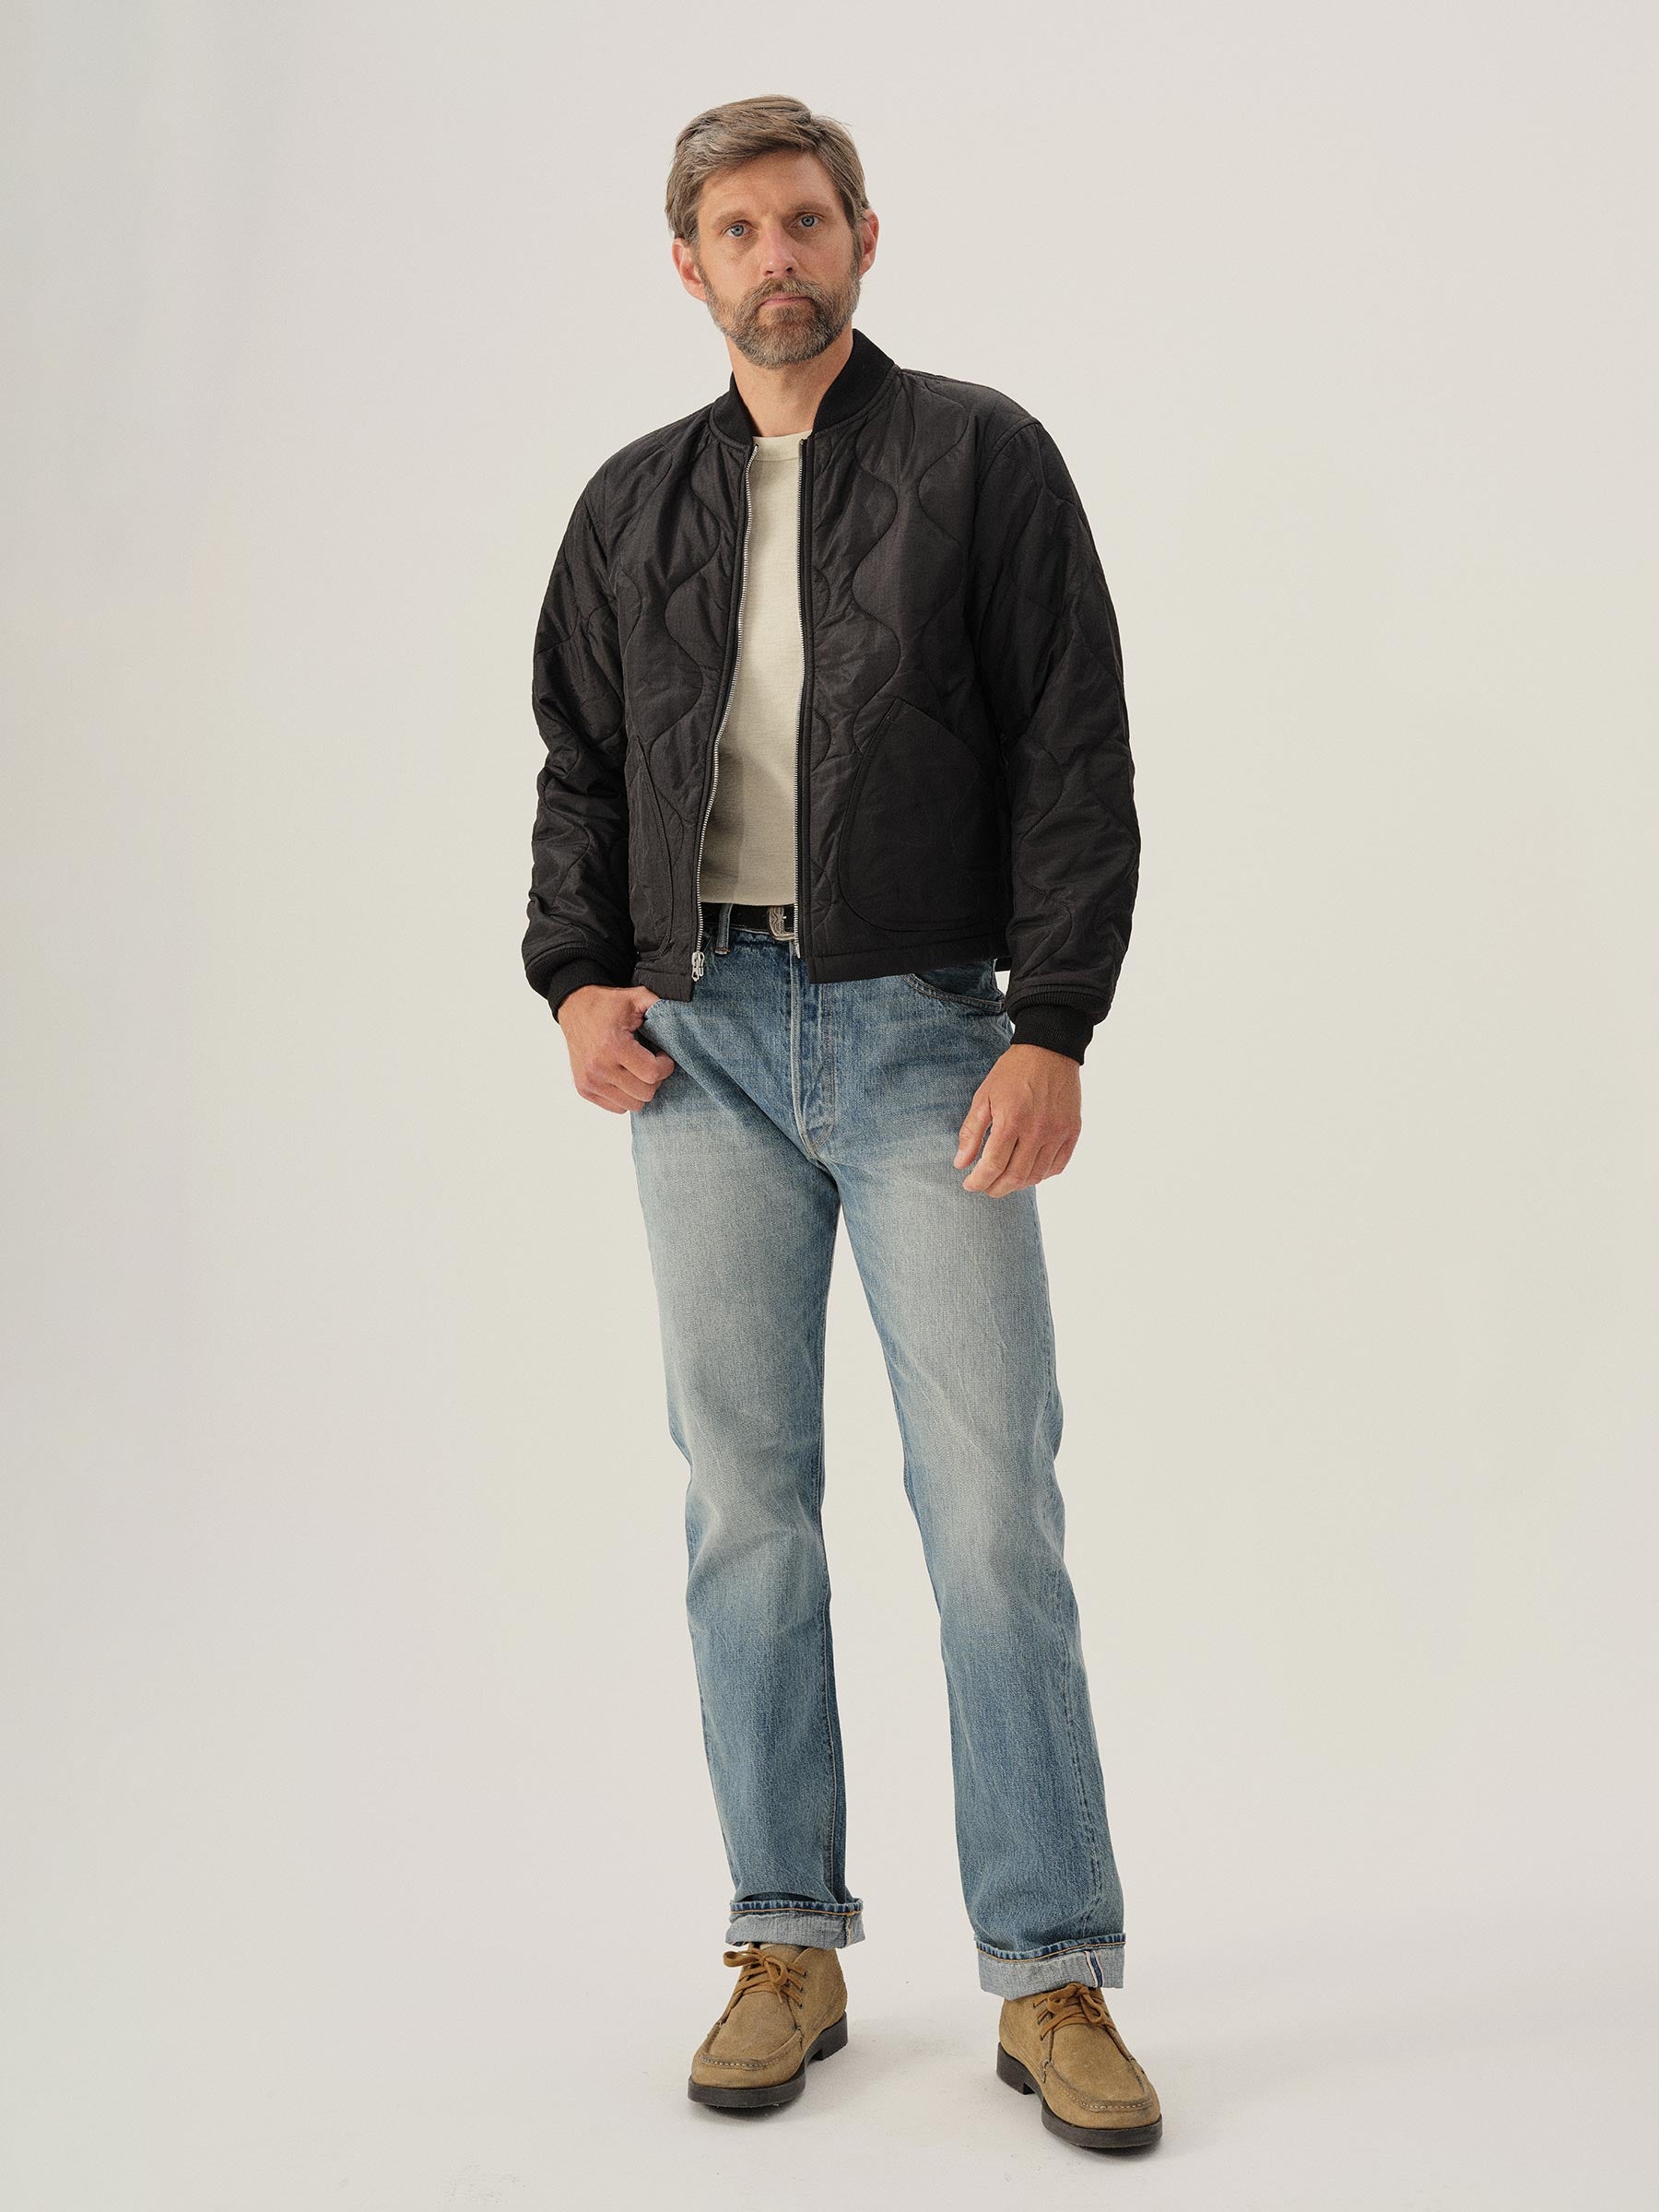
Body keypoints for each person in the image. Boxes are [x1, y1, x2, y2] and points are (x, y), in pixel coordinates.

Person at [522, 93, 1160, 2155]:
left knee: (989, 1511)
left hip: (920, 1037)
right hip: (698, 1043)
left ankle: (1050, 1969)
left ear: (864, 239)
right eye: (737, 228)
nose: (775, 256)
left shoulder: (983, 459)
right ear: (688, 265)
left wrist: (1052, 1023)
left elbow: (1074, 747)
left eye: (805, 219)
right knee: (745, 1507)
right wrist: (576, 976)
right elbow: (580, 760)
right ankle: (782, 1940)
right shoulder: (632, 504)